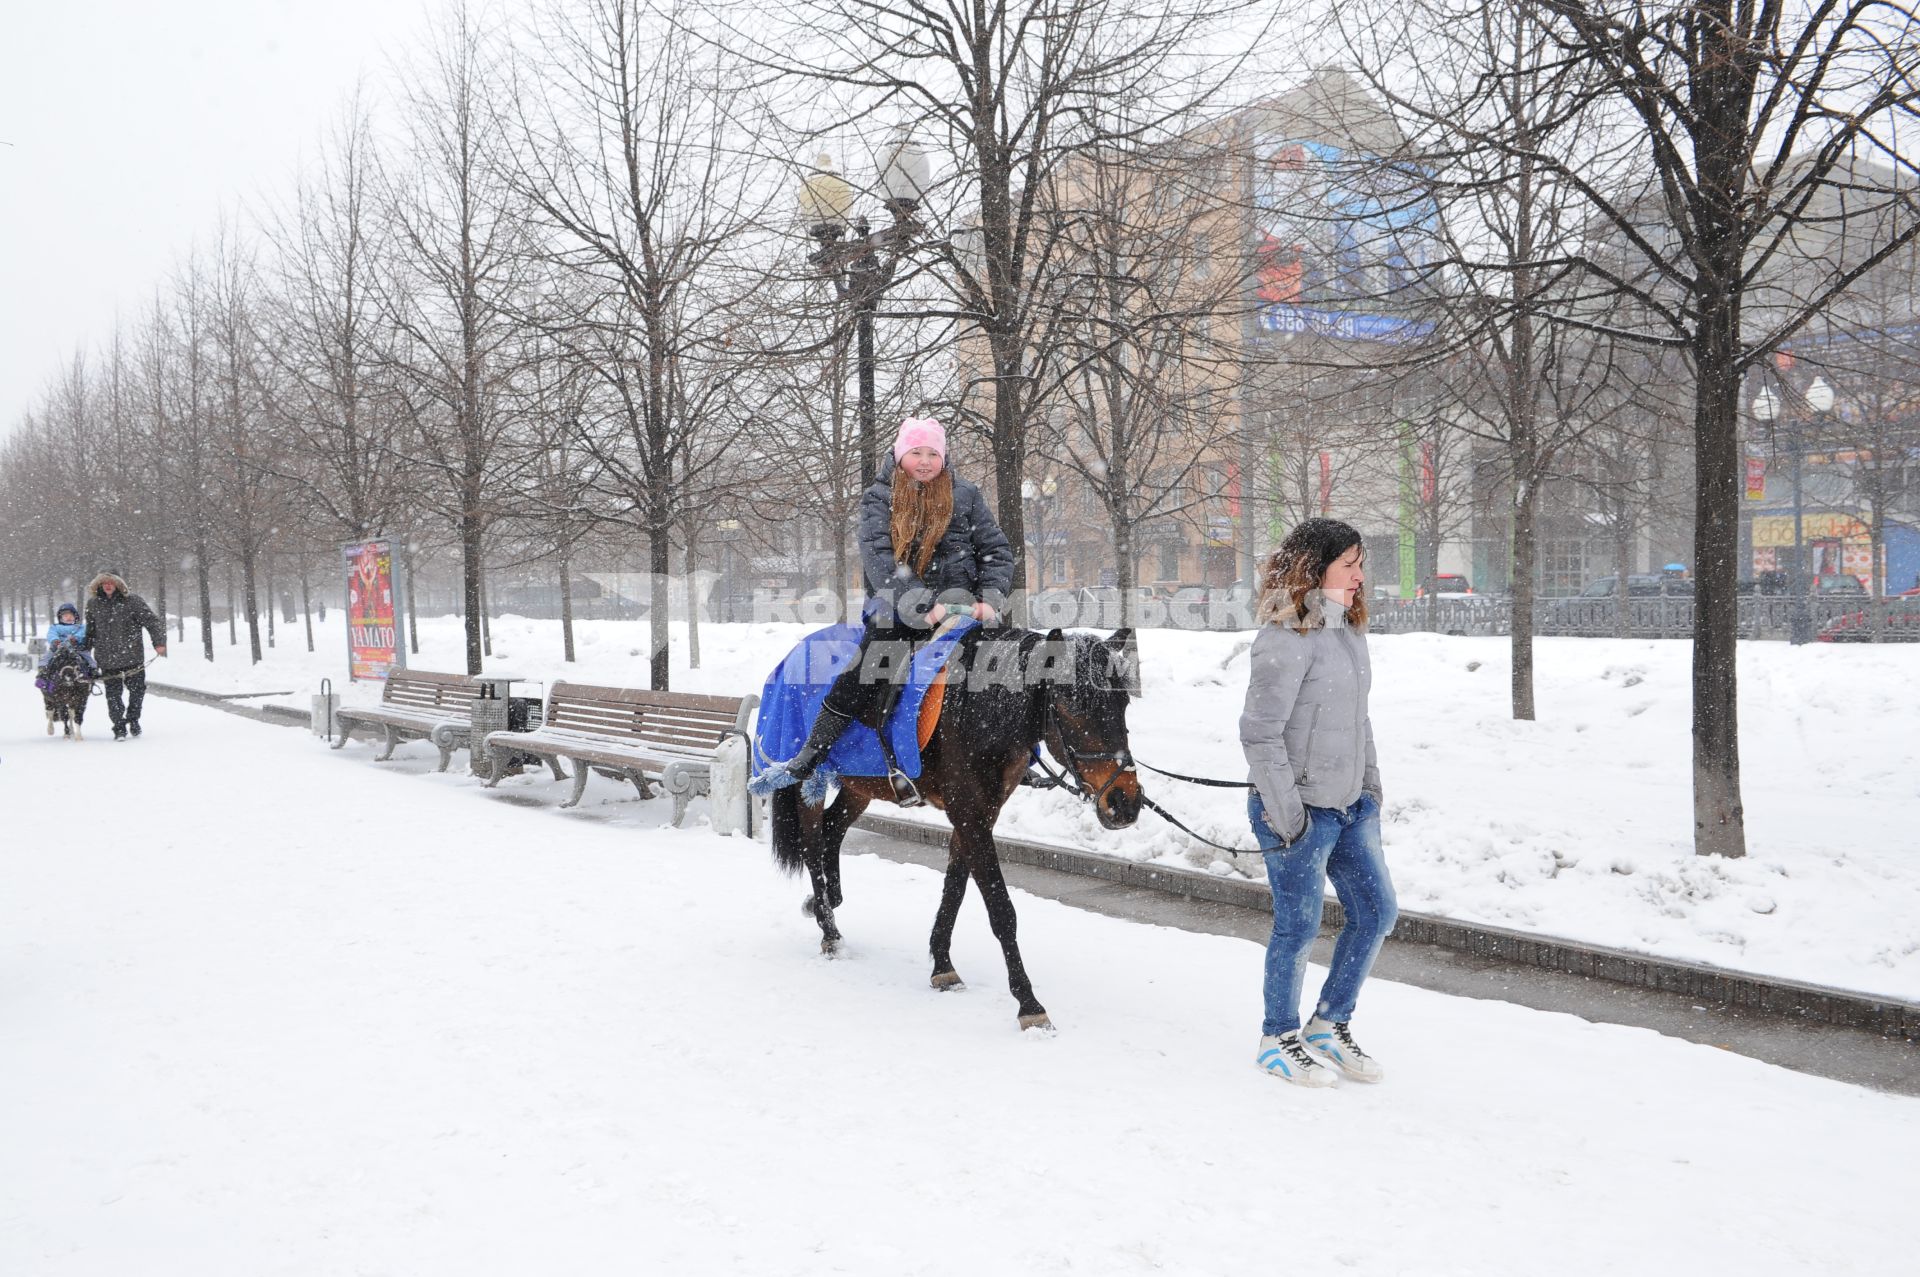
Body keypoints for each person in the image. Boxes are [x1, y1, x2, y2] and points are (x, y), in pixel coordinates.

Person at [763, 416, 1013, 803]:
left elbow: (995, 550)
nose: (926, 460)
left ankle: (1013, 754)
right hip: (898, 609)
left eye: (933, 453)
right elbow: (879, 558)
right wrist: (922, 607)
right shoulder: (881, 497)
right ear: (900, 454)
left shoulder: (965, 495)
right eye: (917, 452)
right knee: (870, 667)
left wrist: (989, 599)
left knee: (1010, 669)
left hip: (963, 608)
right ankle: (816, 750)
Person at [1240, 518, 1396, 1087]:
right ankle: (1277, 1036)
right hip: (1299, 811)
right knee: (1299, 925)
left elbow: (1360, 720)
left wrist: (1371, 789)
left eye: (1361, 563)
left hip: (1351, 805)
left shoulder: (1348, 635)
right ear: (1316, 566)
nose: (1359, 575)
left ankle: (1328, 1024)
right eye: (1349, 563)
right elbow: (1259, 733)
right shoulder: (1286, 637)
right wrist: (1291, 818)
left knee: (1377, 912)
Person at [82, 572, 167, 741]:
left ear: (118, 584)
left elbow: (152, 622)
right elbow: (90, 632)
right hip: (106, 659)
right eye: (104, 582)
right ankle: (119, 726)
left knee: (137, 692)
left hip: (132, 657)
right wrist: (84, 652)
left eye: (111, 582)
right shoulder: (93, 604)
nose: (107, 585)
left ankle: (133, 719)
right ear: (98, 585)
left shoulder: (133, 601)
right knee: (113, 696)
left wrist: (158, 642)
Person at [37, 603, 98, 676]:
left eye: (71, 616)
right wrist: (55, 640)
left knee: (87, 656)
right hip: (58, 646)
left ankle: (93, 668)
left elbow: (82, 634)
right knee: (48, 656)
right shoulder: (55, 627)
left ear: (75, 617)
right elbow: (51, 634)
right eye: (65, 616)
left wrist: (76, 638)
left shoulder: (80, 627)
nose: (68, 618)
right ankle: (42, 668)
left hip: (76, 647)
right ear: (61, 617)